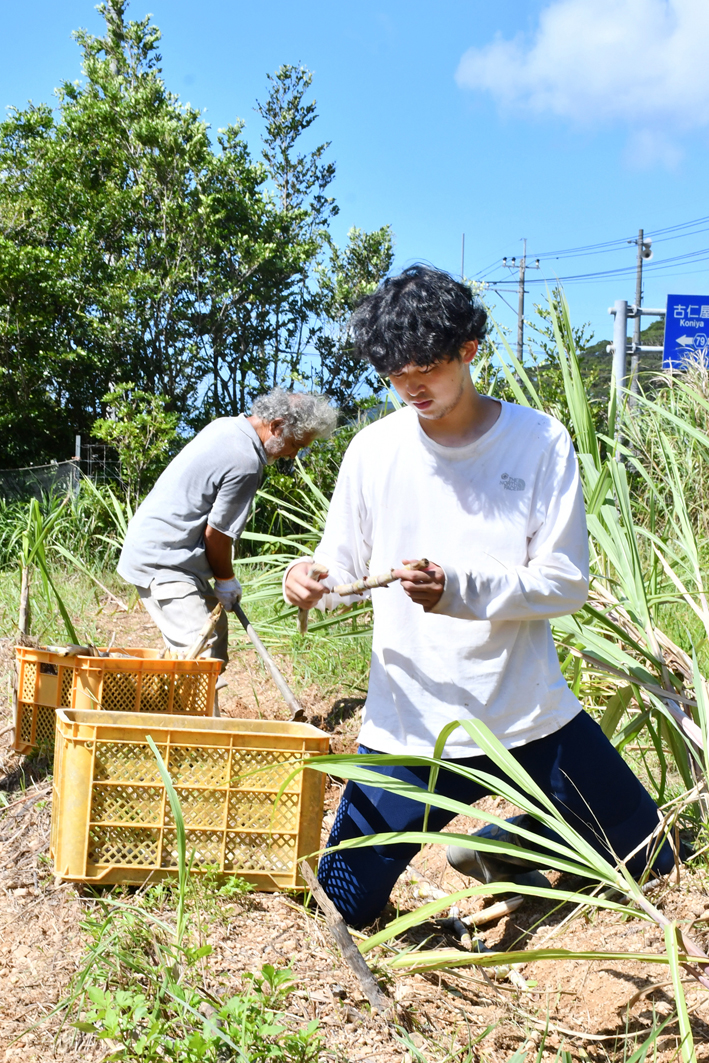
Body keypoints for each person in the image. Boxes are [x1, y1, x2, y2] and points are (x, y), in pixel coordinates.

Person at [284, 264, 674, 927]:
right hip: (410, 729)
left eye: (425, 369)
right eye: (394, 375)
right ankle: (482, 850)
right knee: (342, 904)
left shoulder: (536, 441)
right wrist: (308, 581)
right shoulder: (373, 452)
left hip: (526, 716)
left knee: (652, 857)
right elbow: (337, 573)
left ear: (467, 350)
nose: (412, 387)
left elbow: (563, 581)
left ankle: (498, 845)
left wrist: (455, 589)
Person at [118, 388, 337, 673]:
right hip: (163, 561)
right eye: (295, 444)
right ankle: (198, 717)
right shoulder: (246, 462)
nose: (293, 454)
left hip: (166, 551)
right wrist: (226, 579)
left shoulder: (226, 425)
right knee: (201, 657)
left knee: (214, 630)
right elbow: (217, 535)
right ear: (276, 426)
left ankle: (185, 709)